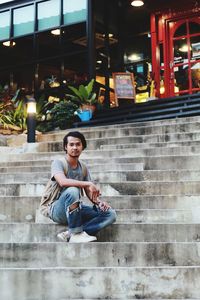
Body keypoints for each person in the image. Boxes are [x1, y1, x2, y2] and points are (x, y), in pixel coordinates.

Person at [48, 131, 117, 243]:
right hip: (57, 209)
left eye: (78, 144)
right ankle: (75, 233)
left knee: (110, 214)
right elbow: (63, 182)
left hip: (75, 209)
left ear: (82, 146)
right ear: (66, 147)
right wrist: (88, 183)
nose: (75, 147)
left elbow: (89, 193)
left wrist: (99, 203)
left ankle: (72, 233)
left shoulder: (83, 167)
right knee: (72, 190)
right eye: (71, 145)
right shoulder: (58, 163)